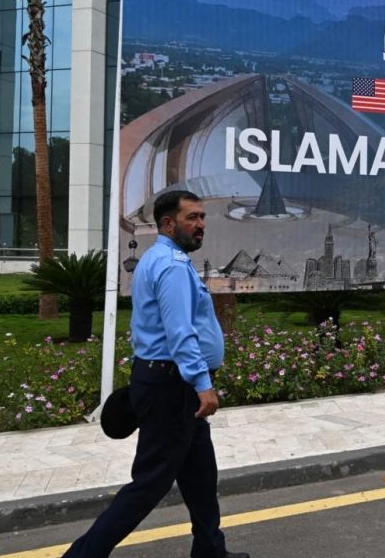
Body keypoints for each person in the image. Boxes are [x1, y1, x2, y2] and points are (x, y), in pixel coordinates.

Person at [64, 190, 248, 558]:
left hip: (168, 382)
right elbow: (179, 333)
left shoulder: (160, 258)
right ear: (167, 223)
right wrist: (203, 384)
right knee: (149, 484)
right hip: (173, 386)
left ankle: (210, 550)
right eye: (192, 218)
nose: (200, 224)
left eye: (202, 217)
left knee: (200, 474)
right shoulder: (172, 266)